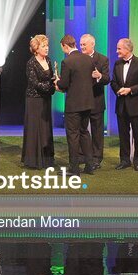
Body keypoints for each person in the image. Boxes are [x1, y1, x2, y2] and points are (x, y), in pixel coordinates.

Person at [56, 34, 95, 175]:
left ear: (65, 46)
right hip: (87, 103)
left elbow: (64, 84)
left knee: (73, 136)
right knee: (84, 133)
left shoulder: (67, 62)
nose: (63, 50)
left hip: (73, 106)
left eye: (62, 48)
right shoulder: (88, 59)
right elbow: (90, 81)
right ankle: (89, 166)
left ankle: (74, 169)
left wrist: (57, 83)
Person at [111, 38, 138, 171]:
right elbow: (113, 82)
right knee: (123, 135)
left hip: (136, 106)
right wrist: (118, 90)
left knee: (137, 135)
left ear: (127, 49)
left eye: (119, 48)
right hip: (121, 106)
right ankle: (124, 160)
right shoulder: (117, 64)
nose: (117, 51)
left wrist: (130, 90)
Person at [21, 34, 56, 169]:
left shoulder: (48, 60)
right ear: (36, 48)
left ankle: (47, 159)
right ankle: (34, 160)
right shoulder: (31, 63)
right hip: (34, 99)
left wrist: (55, 84)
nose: (46, 48)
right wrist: (50, 87)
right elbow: (34, 83)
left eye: (47, 46)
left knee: (45, 128)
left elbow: (51, 78)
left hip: (46, 98)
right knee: (35, 128)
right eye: (43, 46)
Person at [80, 34, 110, 171]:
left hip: (97, 101)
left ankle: (97, 158)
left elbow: (107, 79)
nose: (82, 47)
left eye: (84, 45)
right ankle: (83, 155)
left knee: (97, 131)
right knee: (82, 130)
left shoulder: (103, 59)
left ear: (92, 44)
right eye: (81, 45)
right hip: (81, 102)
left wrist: (99, 76)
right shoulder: (78, 59)